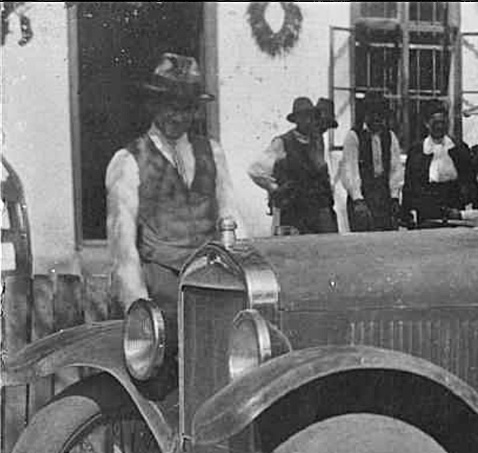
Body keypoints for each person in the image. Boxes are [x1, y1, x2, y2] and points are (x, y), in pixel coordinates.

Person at [106, 52, 238, 314]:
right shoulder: (128, 160)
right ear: (154, 104)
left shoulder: (212, 152)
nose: (177, 117)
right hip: (159, 289)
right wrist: (140, 309)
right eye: (170, 106)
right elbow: (123, 249)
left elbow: (231, 217)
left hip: (211, 284)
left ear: (196, 110)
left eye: (186, 108)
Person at [248, 96, 338, 235]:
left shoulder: (316, 142)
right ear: (296, 120)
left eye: (311, 117)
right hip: (293, 210)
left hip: (316, 211)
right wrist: (275, 188)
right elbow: (255, 169)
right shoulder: (283, 142)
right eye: (304, 117)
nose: (308, 121)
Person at [399, 102, 478, 225]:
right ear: (427, 124)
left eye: (443, 122)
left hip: (453, 203)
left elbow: (470, 180)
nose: (440, 127)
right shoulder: (417, 151)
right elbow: (410, 184)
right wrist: (406, 214)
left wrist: (474, 208)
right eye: (435, 123)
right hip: (427, 206)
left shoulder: (459, 148)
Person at [339, 91, 405, 232]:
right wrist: (358, 199)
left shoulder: (390, 136)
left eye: (380, 114)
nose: (376, 118)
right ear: (365, 114)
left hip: (383, 197)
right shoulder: (354, 136)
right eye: (372, 113)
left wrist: (394, 197)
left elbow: (395, 169)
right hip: (363, 197)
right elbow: (350, 170)